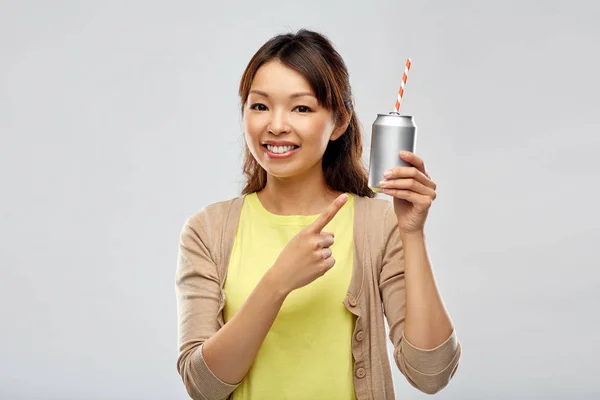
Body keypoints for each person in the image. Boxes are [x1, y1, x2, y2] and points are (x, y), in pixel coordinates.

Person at [175, 29, 461, 400]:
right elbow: (202, 386)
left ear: (339, 122)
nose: (276, 125)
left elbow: (431, 374)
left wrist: (411, 233)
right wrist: (278, 282)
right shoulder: (208, 230)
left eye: (301, 108)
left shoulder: (377, 225)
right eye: (260, 105)